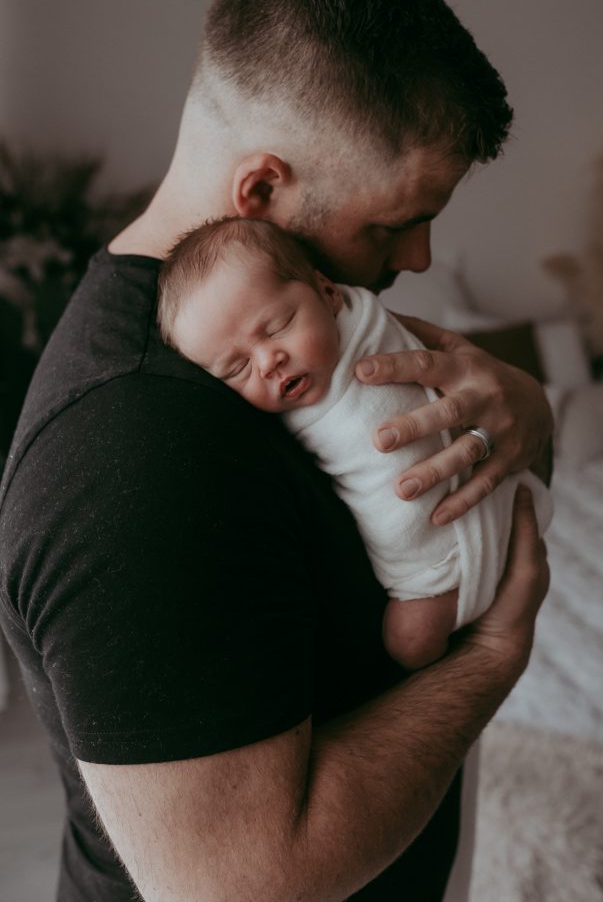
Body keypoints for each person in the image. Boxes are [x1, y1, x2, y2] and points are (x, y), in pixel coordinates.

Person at [0, 0, 552, 902]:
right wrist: (498, 652)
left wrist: (527, 408)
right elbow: (248, 883)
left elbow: (485, 399)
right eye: (393, 223)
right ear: (259, 192)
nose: (420, 256)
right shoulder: (124, 455)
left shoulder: (313, 321)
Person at [158, 215, 554, 671]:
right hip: (426, 578)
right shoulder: (259, 427)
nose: (269, 361)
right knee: (409, 642)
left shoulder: (371, 330)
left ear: (328, 294)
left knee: (527, 513)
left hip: (493, 498)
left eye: (278, 326)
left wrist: (533, 401)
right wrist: (496, 650)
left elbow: (478, 385)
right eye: (236, 368)